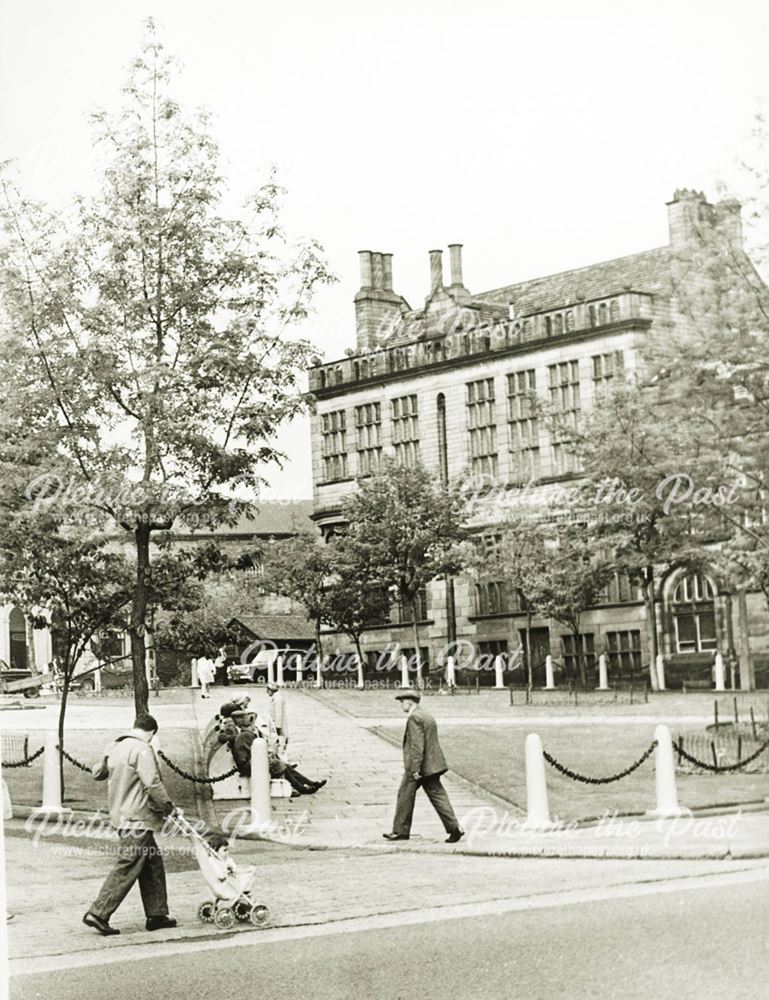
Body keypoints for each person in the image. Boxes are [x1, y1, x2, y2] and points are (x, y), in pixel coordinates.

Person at [83, 714, 177, 936]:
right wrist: (168, 806)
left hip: (121, 814)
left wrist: (106, 758)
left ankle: (157, 914)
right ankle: (98, 912)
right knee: (128, 864)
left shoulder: (116, 745)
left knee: (152, 863)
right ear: (152, 733)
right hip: (138, 816)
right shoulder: (142, 749)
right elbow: (152, 782)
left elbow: (98, 773)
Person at [383, 689, 464, 844]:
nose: (401, 705)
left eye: (402, 701)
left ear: (409, 701)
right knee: (438, 796)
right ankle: (455, 828)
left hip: (421, 766)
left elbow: (417, 746)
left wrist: (414, 769)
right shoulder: (426, 715)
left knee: (404, 794)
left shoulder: (414, 717)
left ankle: (400, 831)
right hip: (434, 764)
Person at [227, 710, 326, 797]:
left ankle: (307, 783)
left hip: (250, 762)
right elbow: (255, 751)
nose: (254, 727)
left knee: (283, 764)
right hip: (248, 765)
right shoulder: (246, 735)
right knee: (279, 764)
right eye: (252, 724)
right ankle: (302, 787)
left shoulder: (244, 734)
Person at [267, 681, 289, 748]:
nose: (267, 692)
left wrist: (278, 727)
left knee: (280, 742)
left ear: (271, 690)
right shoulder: (276, 697)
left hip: (278, 726)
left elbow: (278, 714)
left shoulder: (277, 699)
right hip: (276, 725)